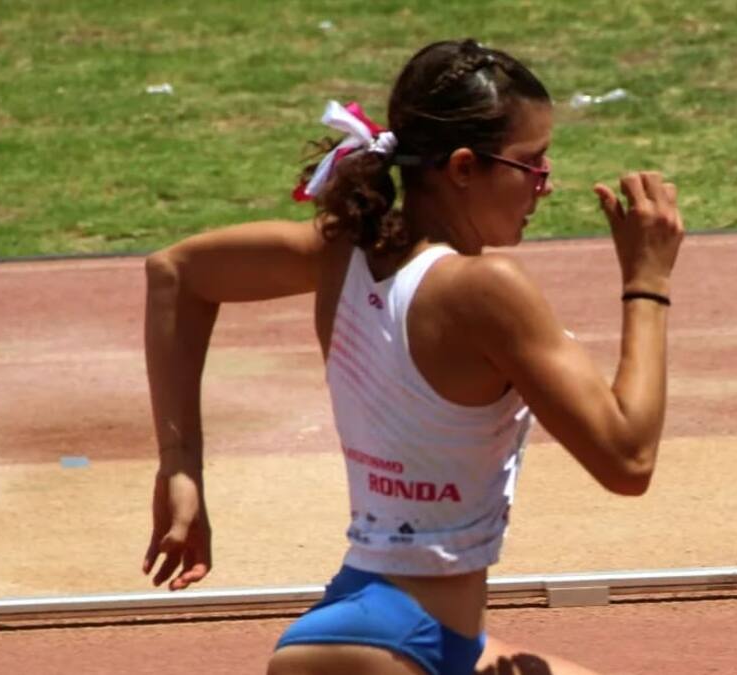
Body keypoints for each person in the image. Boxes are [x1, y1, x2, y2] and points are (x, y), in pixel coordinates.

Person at [141, 38, 684, 675]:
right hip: (386, 646)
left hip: (400, 637)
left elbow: (177, 273)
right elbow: (628, 459)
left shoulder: (342, 252)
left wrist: (181, 470)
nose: (547, 184)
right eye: (532, 164)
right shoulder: (486, 289)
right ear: (462, 168)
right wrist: (647, 280)